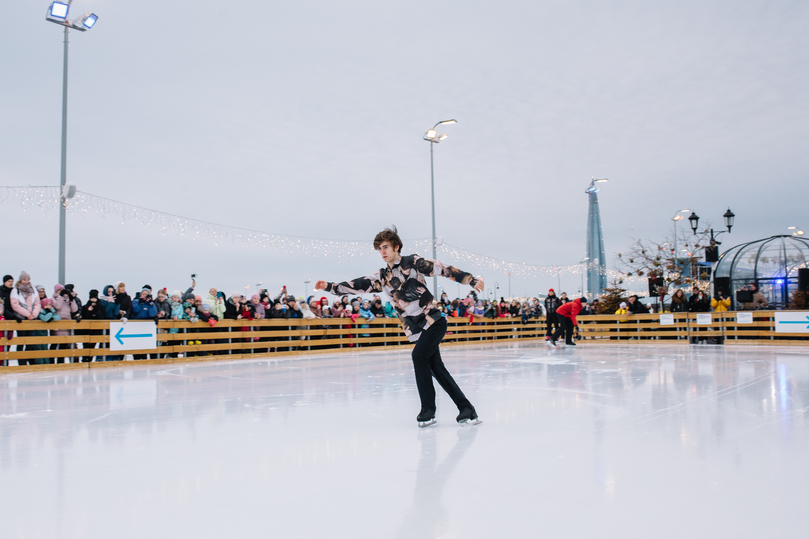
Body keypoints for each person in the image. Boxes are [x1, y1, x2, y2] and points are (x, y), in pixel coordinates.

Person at [314, 226, 484, 427]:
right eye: (379, 249)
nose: (382, 252)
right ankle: (466, 409)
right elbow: (357, 284)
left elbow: (441, 268)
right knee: (436, 368)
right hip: (416, 329)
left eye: (385, 247)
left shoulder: (413, 263)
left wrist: (470, 279)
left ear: (396, 247)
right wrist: (330, 286)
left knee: (419, 356)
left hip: (433, 321)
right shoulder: (381, 277)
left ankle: (428, 409)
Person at [10, 271, 43, 366]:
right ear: (21, 280)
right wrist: (27, 314)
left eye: (28, 279)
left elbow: (37, 303)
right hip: (21, 318)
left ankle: (27, 359)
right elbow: (15, 305)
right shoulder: (16, 290)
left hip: (31, 319)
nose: (26, 281)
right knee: (21, 341)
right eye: (24, 279)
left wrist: (34, 314)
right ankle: (21, 362)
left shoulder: (33, 290)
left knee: (31, 342)